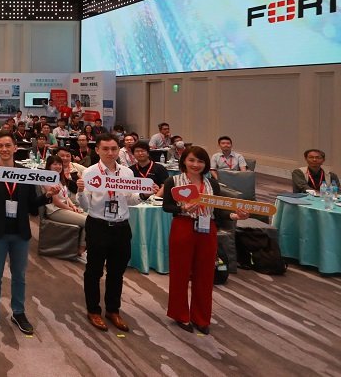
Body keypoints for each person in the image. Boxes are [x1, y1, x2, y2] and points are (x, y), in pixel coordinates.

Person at [0, 131, 57, 334]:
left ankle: (18, 312)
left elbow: (32, 205)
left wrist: (47, 195)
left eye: (8, 145)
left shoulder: (25, 174)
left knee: (19, 275)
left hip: (20, 232)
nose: (4, 149)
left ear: (15, 148)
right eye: (0, 146)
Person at [162, 146, 249, 334]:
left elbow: (218, 212)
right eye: (191, 160)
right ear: (184, 161)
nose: (196, 164)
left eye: (200, 161)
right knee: (180, 273)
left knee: (205, 274)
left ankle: (201, 317)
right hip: (183, 227)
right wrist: (182, 208)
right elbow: (167, 206)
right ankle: (180, 314)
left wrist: (235, 216)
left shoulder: (212, 184)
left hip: (207, 228)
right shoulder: (173, 181)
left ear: (206, 164)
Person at [76, 133, 143, 332]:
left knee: (117, 272)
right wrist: (80, 191)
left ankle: (113, 310)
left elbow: (130, 200)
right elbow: (85, 206)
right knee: (94, 270)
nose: (110, 153)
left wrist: (144, 195)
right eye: (105, 149)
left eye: (114, 149)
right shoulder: (90, 173)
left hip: (121, 226)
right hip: (98, 225)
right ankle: (93, 310)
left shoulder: (127, 173)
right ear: (97, 150)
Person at [43, 155, 87, 259]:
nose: (58, 166)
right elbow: (56, 202)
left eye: (59, 164)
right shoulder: (47, 179)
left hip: (65, 207)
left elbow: (66, 197)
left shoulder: (60, 178)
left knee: (93, 218)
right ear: (49, 166)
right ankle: (81, 249)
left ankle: (83, 247)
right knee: (88, 221)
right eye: (55, 164)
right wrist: (71, 209)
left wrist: (73, 207)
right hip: (55, 210)